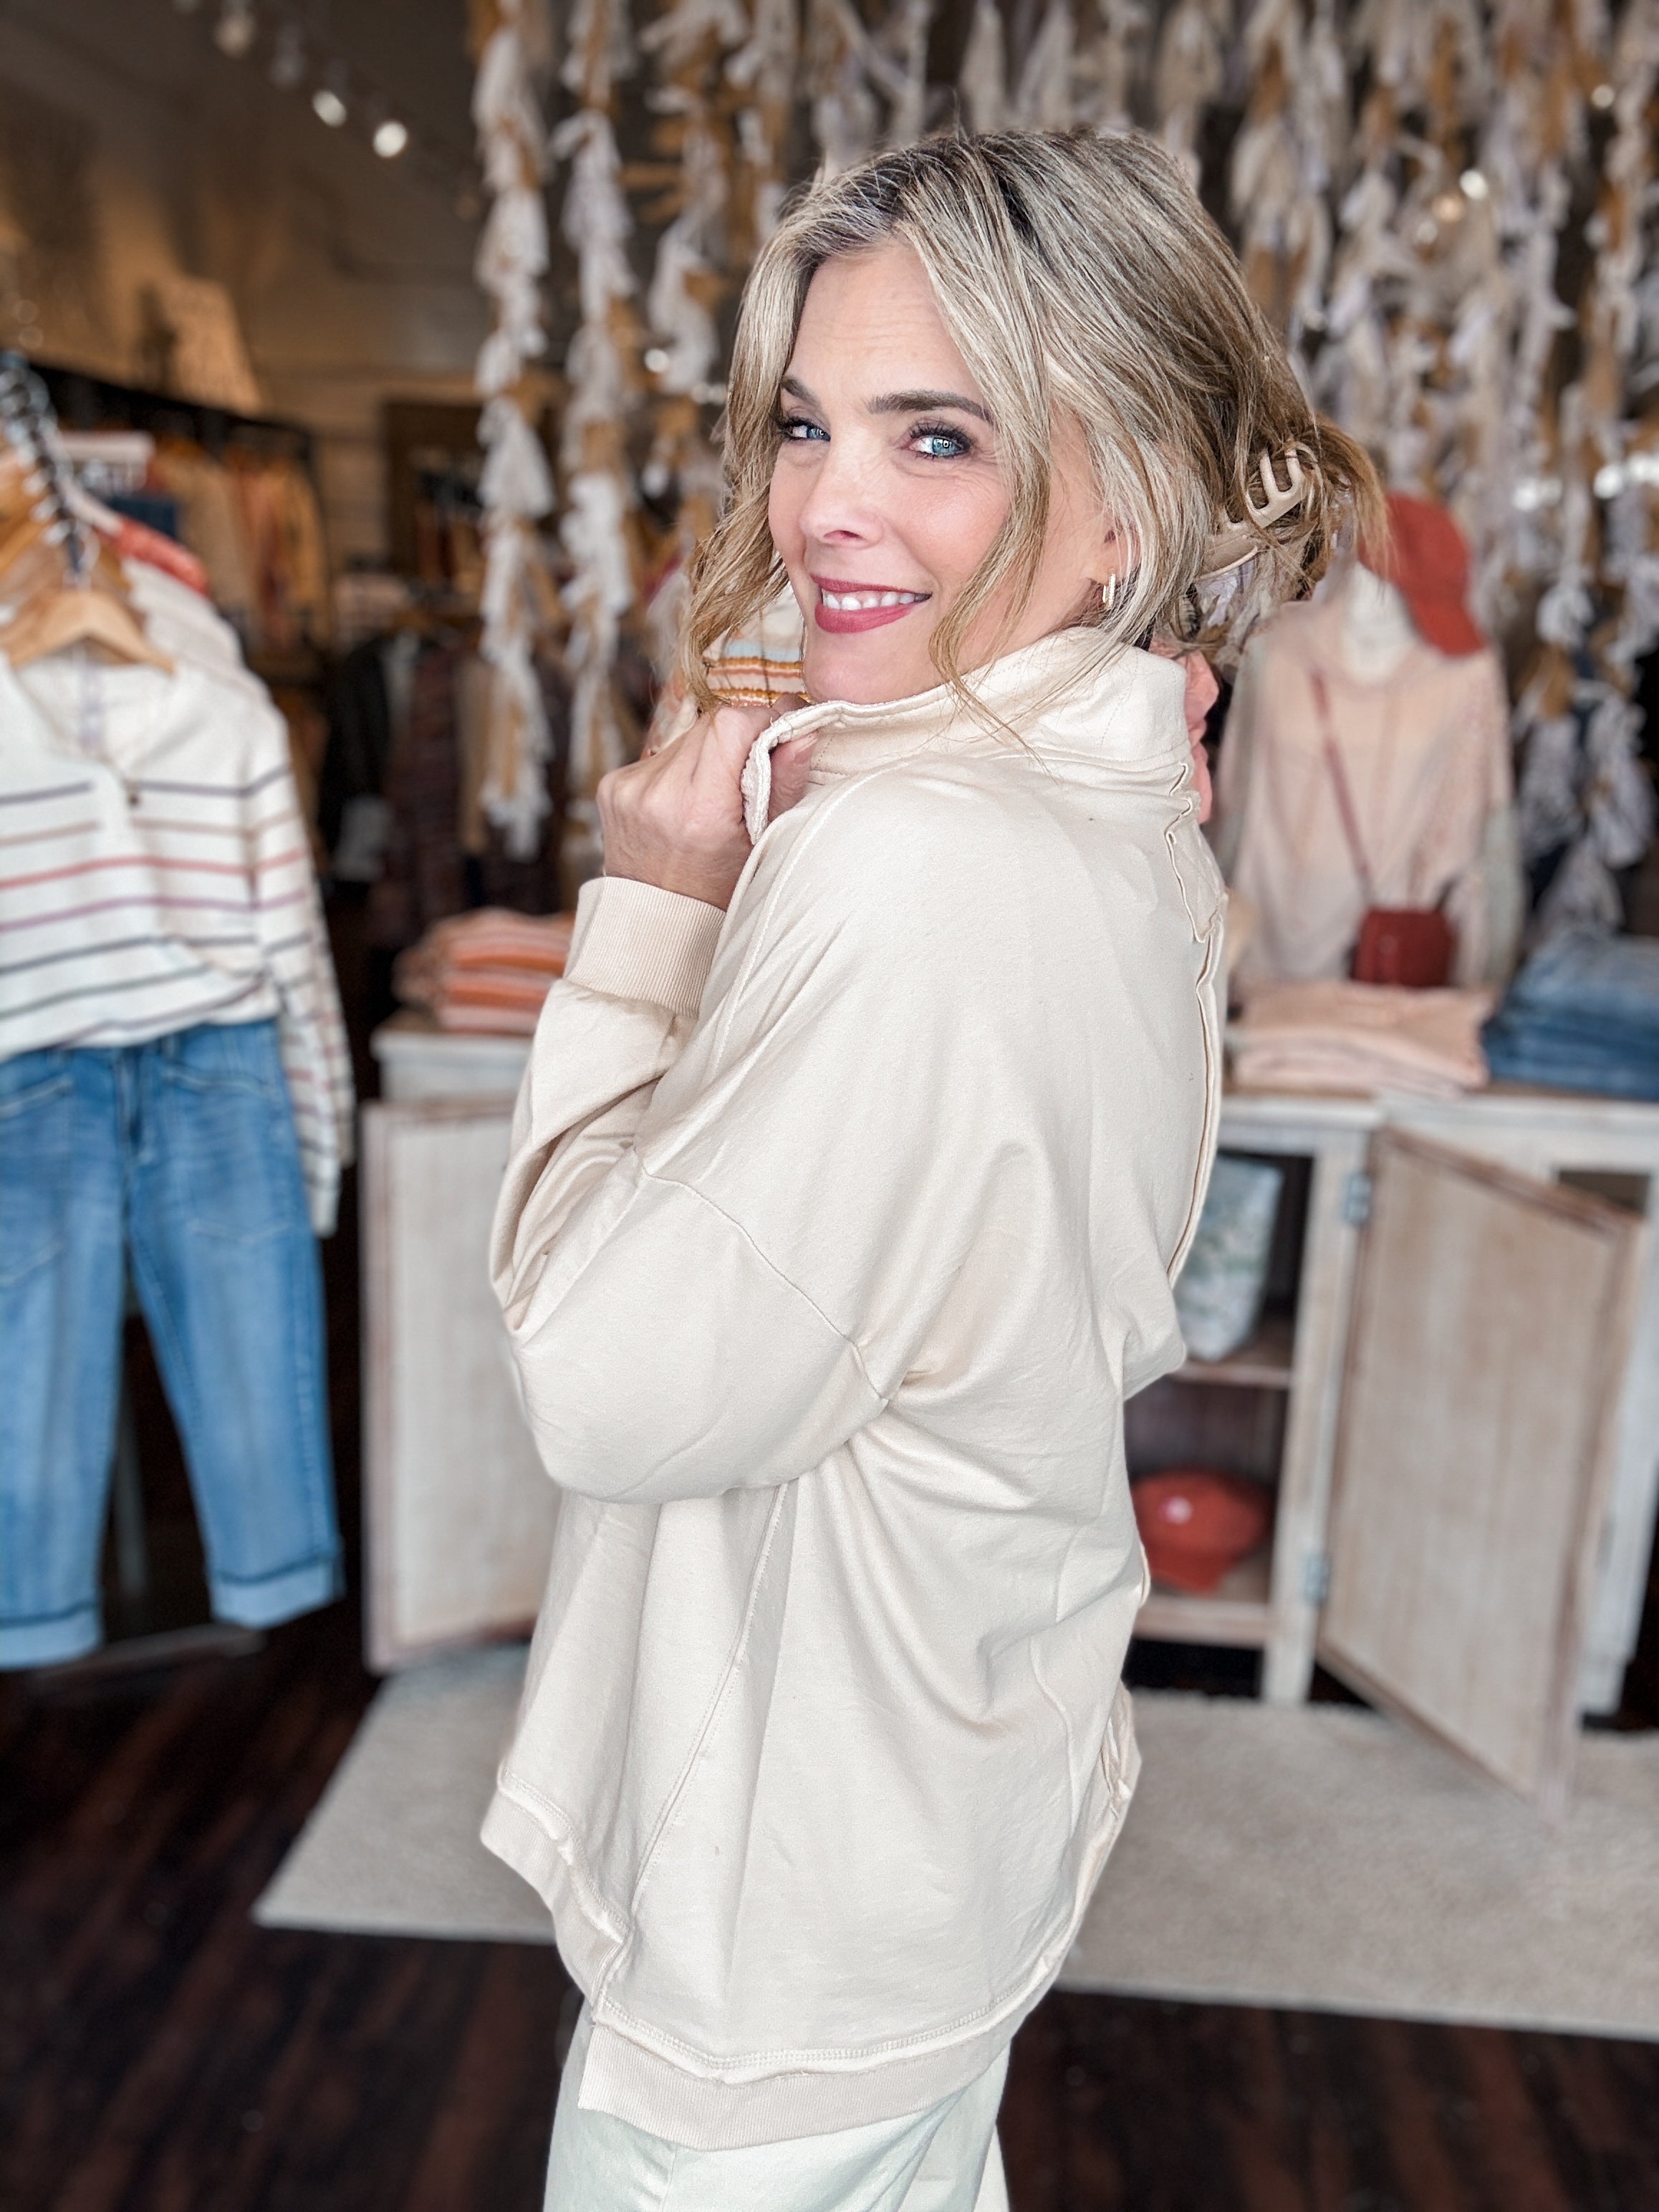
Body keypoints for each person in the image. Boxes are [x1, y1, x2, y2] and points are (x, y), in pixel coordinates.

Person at [486, 128, 1377, 2212]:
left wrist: (654, 911)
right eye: (806, 423)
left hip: (791, 1894)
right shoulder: (1113, 800)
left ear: (1126, 499)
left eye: (938, 435)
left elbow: (604, 1391)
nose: (821, 508)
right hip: (940, 1789)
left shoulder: (912, 861)